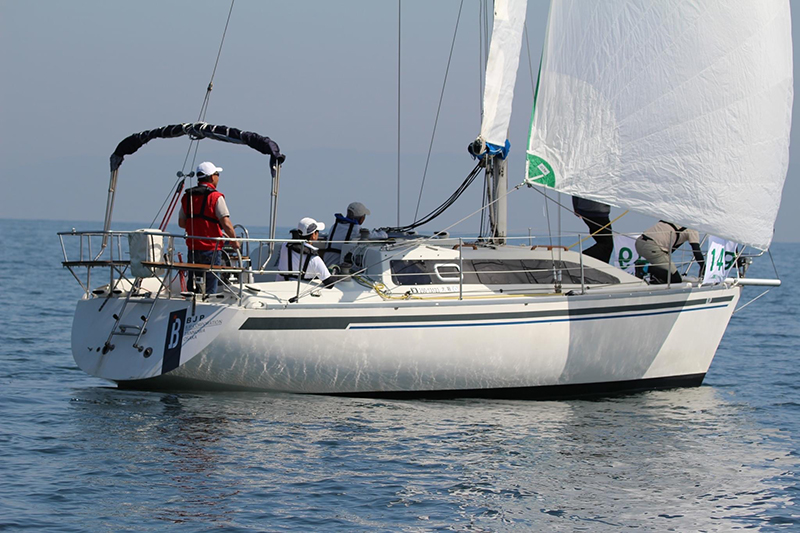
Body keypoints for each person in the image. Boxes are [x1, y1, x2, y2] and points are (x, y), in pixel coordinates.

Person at [178, 161, 239, 294]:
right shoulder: (216, 197)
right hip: (211, 249)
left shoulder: (187, 197)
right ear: (212, 177)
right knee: (211, 283)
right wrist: (234, 241)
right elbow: (226, 224)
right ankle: (209, 301)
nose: (218, 178)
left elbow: (181, 223)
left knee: (193, 281)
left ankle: (191, 301)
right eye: (217, 174)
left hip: (193, 248)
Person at [635, 220, 705, 284]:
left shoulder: (671, 219)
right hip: (652, 247)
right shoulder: (692, 229)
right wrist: (703, 267)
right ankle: (644, 268)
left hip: (639, 242)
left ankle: (654, 277)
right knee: (675, 279)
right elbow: (696, 251)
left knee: (665, 270)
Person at [322, 201, 387, 266]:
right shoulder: (356, 229)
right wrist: (383, 231)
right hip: (338, 266)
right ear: (361, 218)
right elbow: (382, 236)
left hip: (327, 264)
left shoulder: (335, 226)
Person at [278, 217, 332, 282]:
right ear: (313, 235)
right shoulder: (314, 258)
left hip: (281, 284)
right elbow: (329, 282)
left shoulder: (285, 245)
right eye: (317, 231)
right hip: (302, 287)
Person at [572, 196, 613, 263]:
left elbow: (575, 190)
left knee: (604, 242)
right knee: (607, 245)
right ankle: (578, 260)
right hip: (598, 210)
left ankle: (586, 262)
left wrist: (576, 206)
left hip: (583, 209)